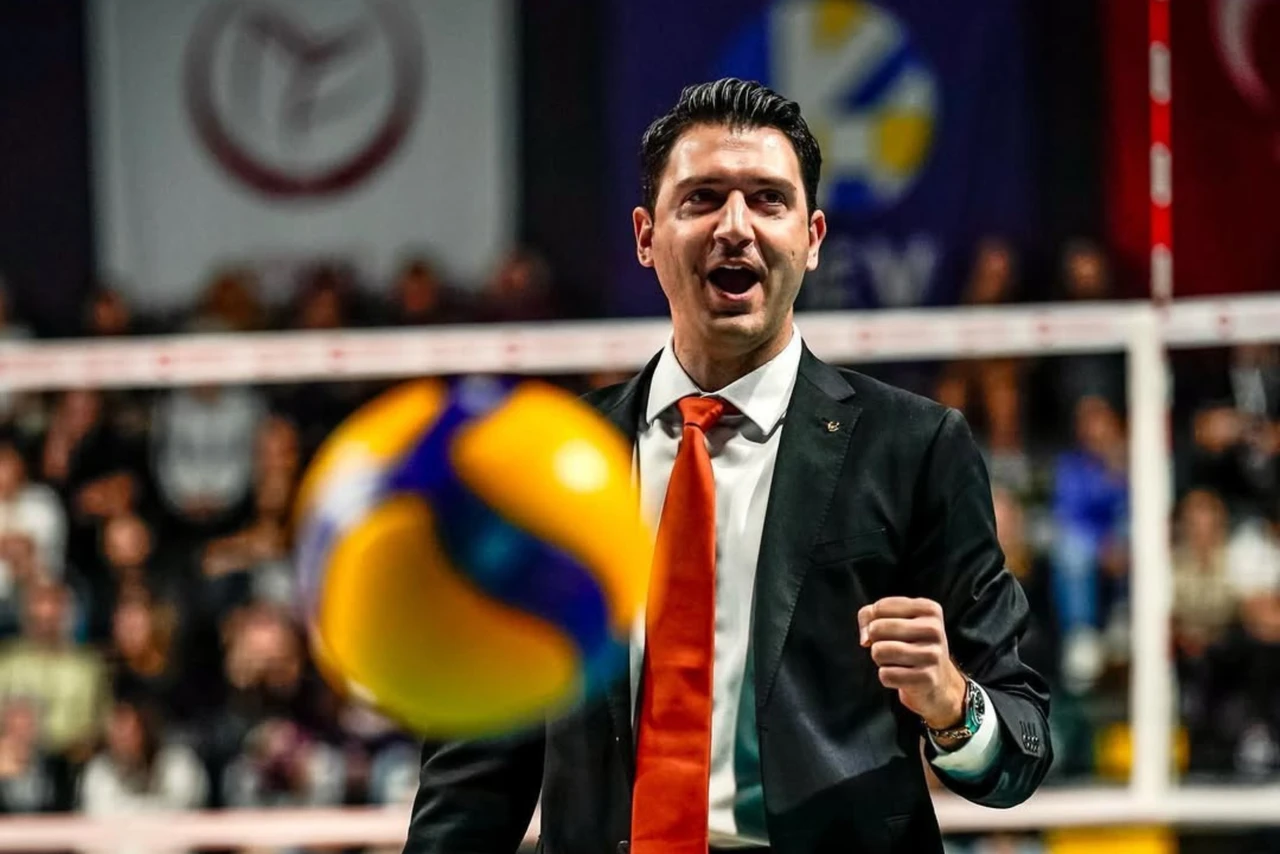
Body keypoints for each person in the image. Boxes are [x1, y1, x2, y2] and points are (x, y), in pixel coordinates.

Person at [405, 79, 1051, 854]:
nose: (735, 228)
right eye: (703, 198)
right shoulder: (551, 457)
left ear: (813, 237)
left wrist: (953, 705)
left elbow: (1020, 748)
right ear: (646, 235)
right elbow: (479, 757)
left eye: (768, 200)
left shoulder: (914, 447)